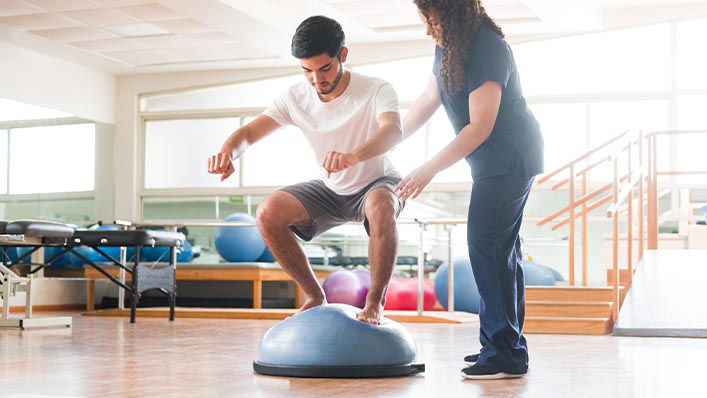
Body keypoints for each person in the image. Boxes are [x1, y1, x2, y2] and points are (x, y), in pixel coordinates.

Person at [207, 16, 404, 325]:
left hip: (377, 182)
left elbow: (393, 131)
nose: (316, 79)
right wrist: (227, 153)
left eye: (325, 68)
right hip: (331, 188)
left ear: (343, 55)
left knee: (381, 206)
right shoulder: (295, 97)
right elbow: (247, 134)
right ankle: (314, 295)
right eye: (307, 70)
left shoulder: (376, 89)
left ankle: (375, 303)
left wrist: (355, 155)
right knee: (268, 212)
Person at [395, 0, 544, 380]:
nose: (428, 28)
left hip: (510, 158)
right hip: (493, 162)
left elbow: (480, 126)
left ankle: (503, 352)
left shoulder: (488, 46)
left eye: (432, 18)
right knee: (500, 252)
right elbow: (428, 101)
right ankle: (504, 350)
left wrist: (427, 169)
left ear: (451, 13)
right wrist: (383, 142)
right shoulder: (448, 45)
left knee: (487, 246)